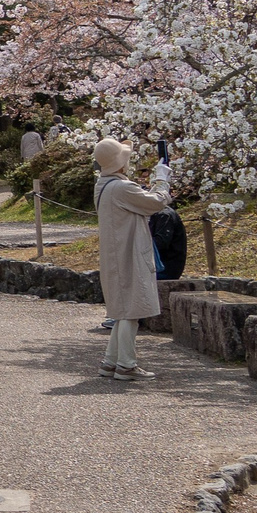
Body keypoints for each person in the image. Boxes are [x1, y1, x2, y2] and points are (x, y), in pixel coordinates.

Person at [92, 137, 171, 379]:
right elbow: (156, 203)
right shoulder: (121, 187)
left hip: (116, 253)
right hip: (128, 253)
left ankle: (111, 361)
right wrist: (162, 180)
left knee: (123, 308)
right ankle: (126, 364)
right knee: (131, 309)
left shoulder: (104, 185)